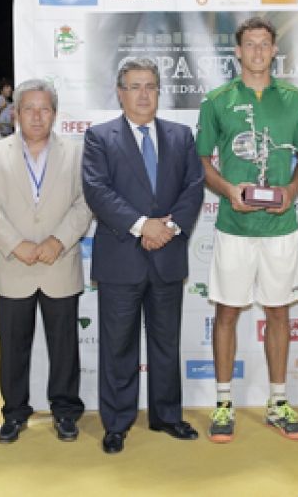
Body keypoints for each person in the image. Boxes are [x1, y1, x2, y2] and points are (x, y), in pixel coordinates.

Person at [195, 17, 298, 444]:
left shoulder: (297, 99)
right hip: (234, 227)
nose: (258, 51)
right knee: (226, 312)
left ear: (275, 50)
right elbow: (203, 162)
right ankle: (224, 404)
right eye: (250, 44)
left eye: (266, 43)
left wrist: (292, 189)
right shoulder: (217, 100)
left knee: (278, 312)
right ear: (238, 52)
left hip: (281, 226)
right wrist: (229, 190)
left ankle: (277, 402)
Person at [82, 57, 204, 454]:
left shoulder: (181, 136)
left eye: (150, 85)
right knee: (118, 346)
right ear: (120, 93)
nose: (143, 94)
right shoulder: (99, 137)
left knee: (166, 343)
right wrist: (142, 225)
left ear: (158, 91)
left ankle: (167, 416)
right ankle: (116, 423)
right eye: (134, 86)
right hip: (121, 258)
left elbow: (194, 187)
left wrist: (167, 229)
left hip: (167, 256)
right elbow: (97, 191)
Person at [0, 79, 91, 444]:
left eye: (44, 109)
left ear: (55, 114)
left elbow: (86, 202)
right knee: (12, 347)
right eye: (29, 108)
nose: (37, 116)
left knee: (64, 348)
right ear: (15, 113)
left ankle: (66, 411)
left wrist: (59, 240)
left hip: (60, 262)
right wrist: (15, 244)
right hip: (14, 266)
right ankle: (13, 413)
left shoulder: (77, 152)